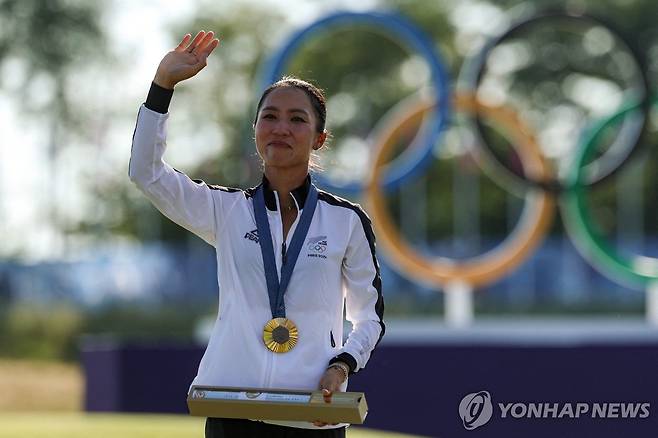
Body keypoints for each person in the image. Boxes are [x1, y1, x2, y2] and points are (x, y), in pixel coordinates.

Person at [129, 30, 385, 437]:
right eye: (270, 116)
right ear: (256, 130)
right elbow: (146, 173)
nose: (281, 127)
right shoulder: (225, 210)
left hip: (314, 416)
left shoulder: (346, 220)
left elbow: (368, 316)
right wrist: (163, 86)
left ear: (319, 139)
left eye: (297, 119)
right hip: (232, 412)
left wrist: (342, 365)